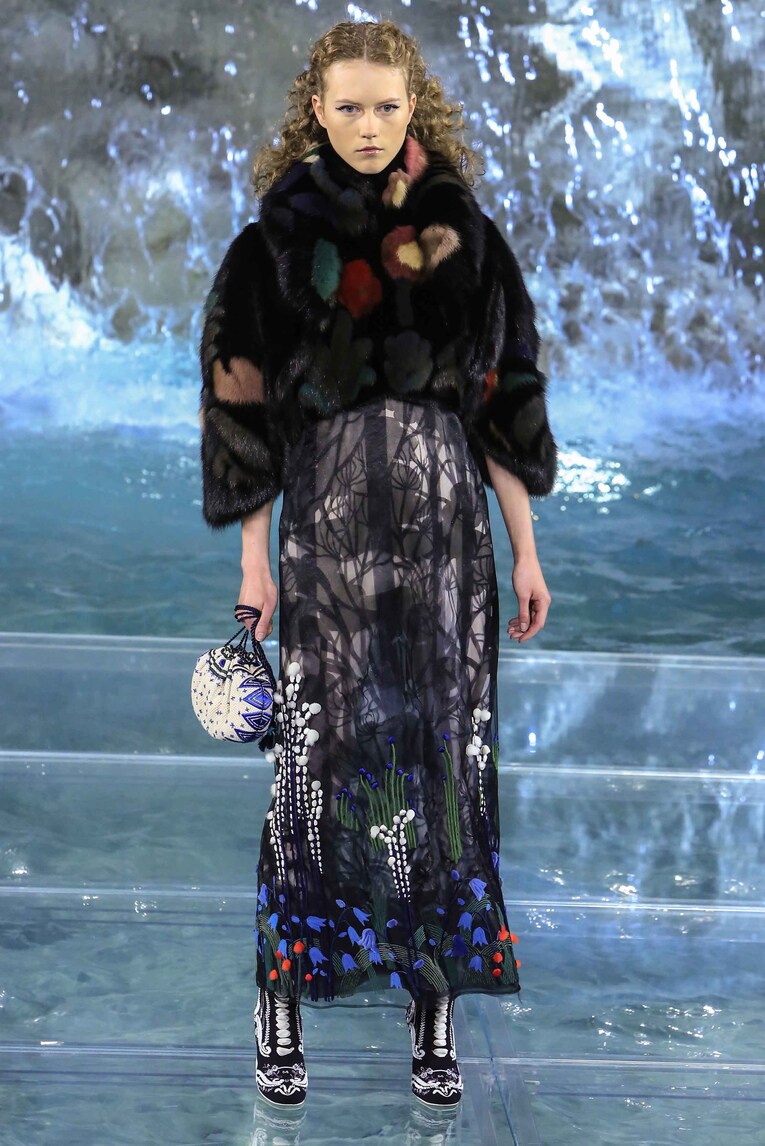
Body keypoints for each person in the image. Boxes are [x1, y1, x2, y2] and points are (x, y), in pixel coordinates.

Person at [198, 18, 558, 1111]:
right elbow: (241, 412)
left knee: (440, 759)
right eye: (348, 106)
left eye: (386, 106)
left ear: (415, 108)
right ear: (316, 109)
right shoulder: (270, 246)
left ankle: (431, 1003)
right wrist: (253, 563)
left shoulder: (467, 238)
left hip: (447, 544)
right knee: (315, 762)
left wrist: (525, 546)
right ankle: (281, 997)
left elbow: (503, 400)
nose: (368, 126)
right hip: (327, 540)